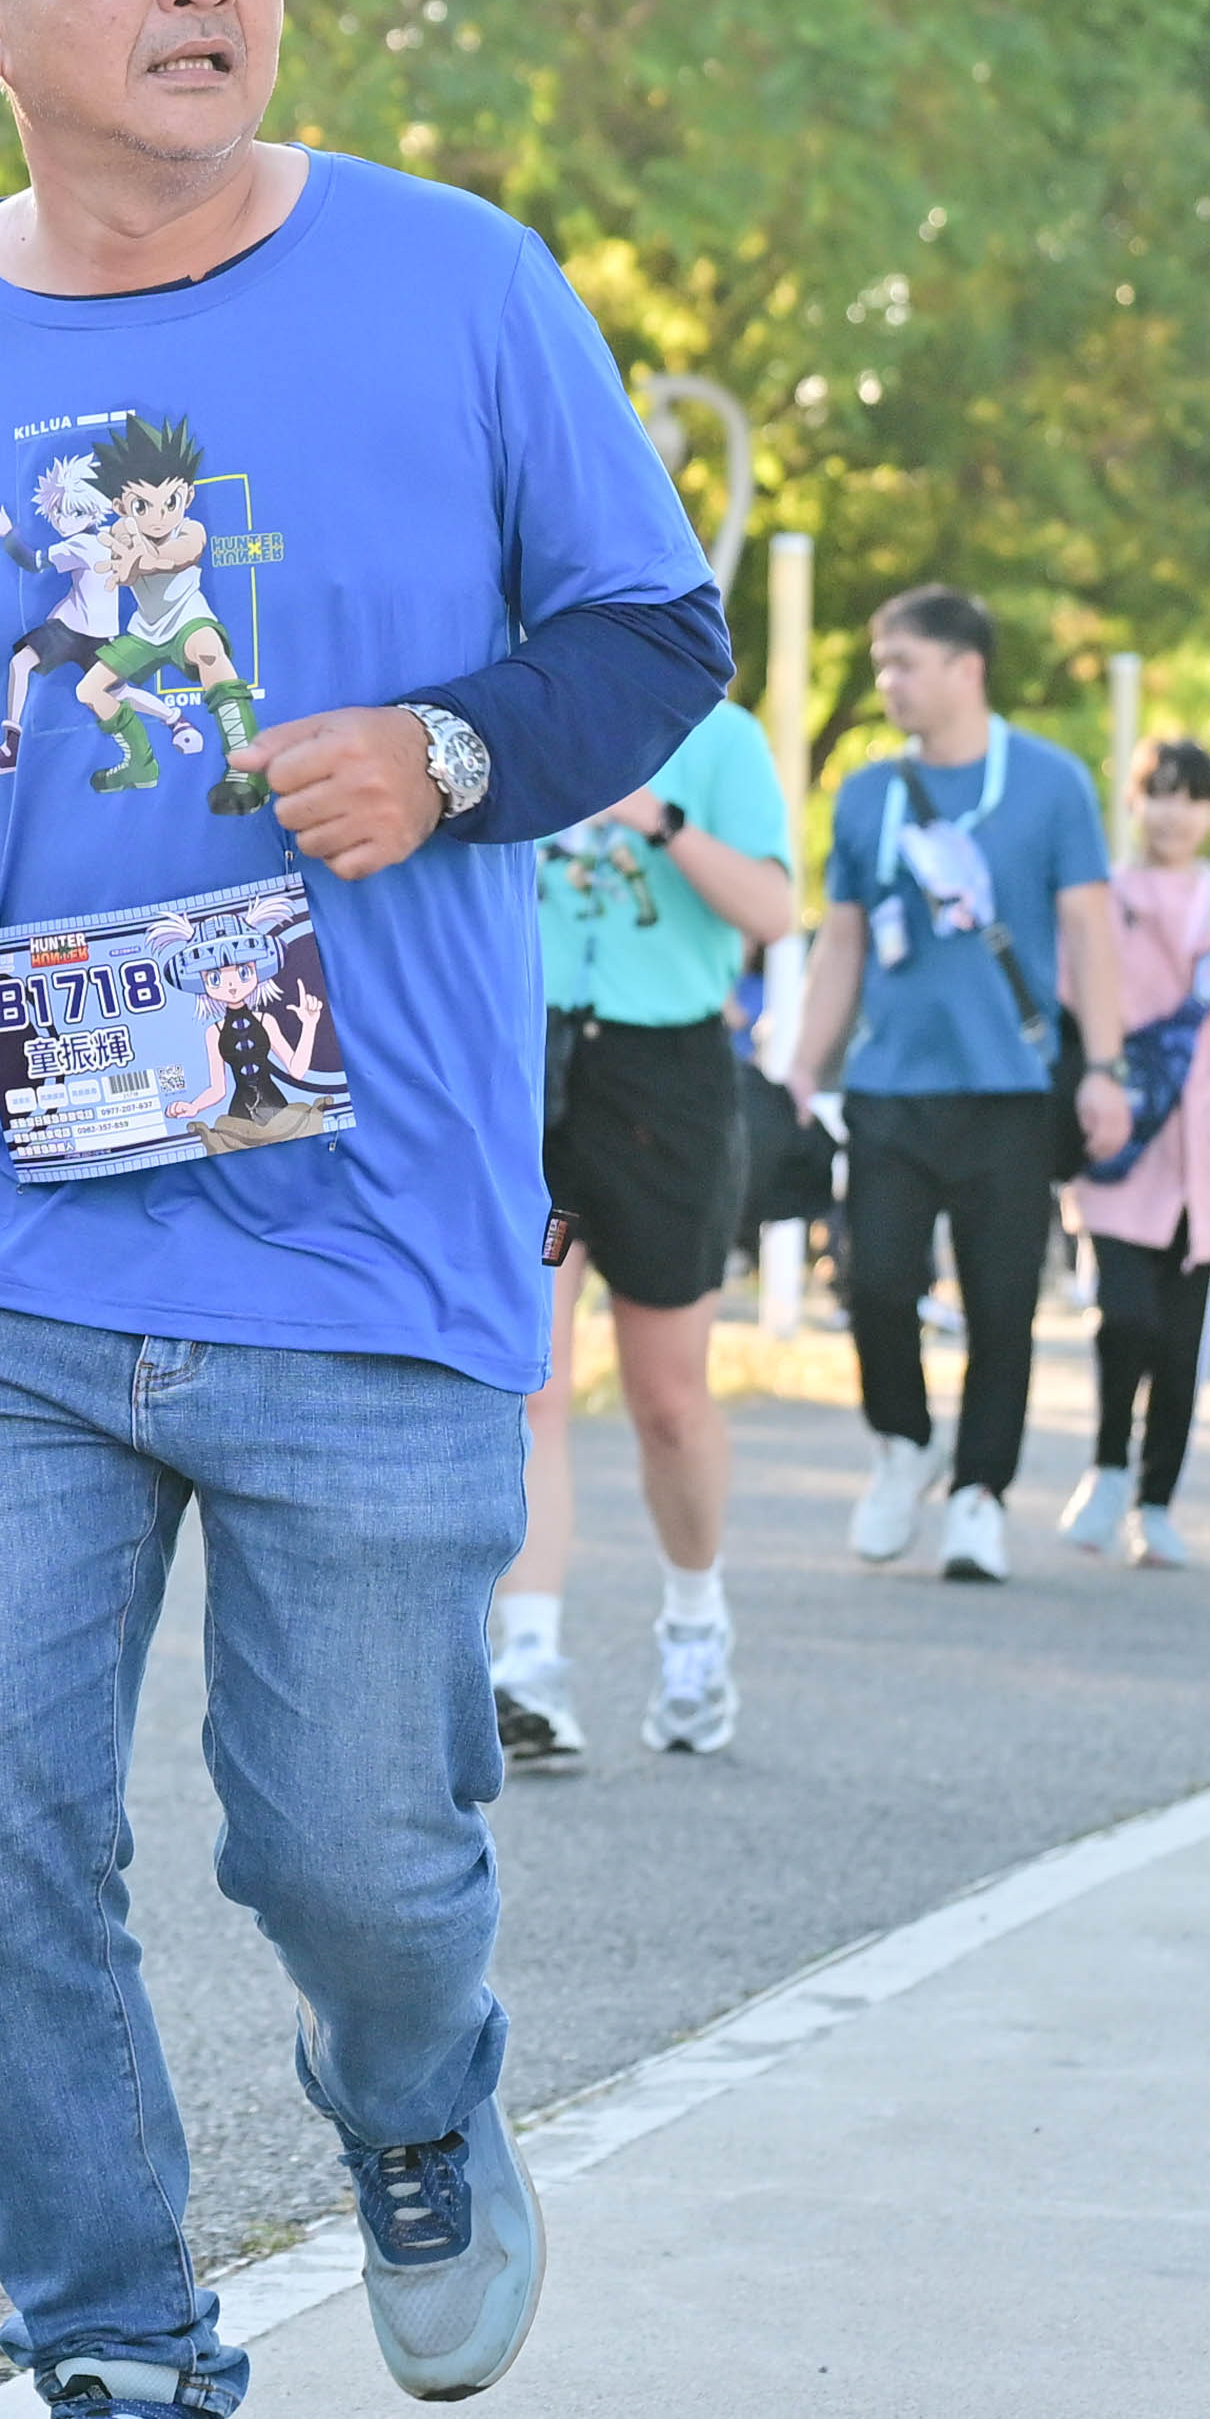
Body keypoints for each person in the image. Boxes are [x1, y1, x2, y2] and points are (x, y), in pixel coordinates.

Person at [0, 0, 722, 2419]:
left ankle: (414, 2102)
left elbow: (650, 638)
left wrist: (453, 749)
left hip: (370, 1240)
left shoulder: (458, 285)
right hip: (9, 1243)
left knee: (354, 1861)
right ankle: (124, 2374)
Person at [782, 587, 1129, 1587]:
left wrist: (1104, 1070)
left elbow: (1090, 932)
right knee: (877, 1283)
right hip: (889, 1084)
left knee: (1002, 1301)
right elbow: (843, 942)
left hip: (1010, 1085)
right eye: (882, 664)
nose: (887, 682)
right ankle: (903, 1442)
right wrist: (802, 1062)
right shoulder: (866, 796)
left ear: (967, 668)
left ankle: (981, 1494)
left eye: (905, 663)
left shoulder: (1051, 783)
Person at [495, 672, 794, 1762]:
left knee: (667, 1399)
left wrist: (652, 815)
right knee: (531, 1380)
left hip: (665, 1088)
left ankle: (695, 1624)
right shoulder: (517, 719)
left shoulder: (722, 740)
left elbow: (772, 913)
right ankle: (529, 1663)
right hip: (533, 1077)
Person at [1066, 737, 1210, 1565]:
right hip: (1121, 1147)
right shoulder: (1096, 903)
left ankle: (1156, 1502)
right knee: (1123, 1315)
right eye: (1158, 793)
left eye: (1191, 797)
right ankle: (1107, 1467)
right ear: (1132, 801)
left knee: (1181, 1344)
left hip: (1209, 1161)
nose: (1174, 813)